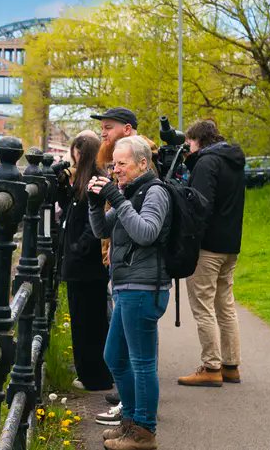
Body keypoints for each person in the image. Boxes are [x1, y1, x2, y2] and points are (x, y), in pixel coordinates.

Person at [88, 135, 171, 450]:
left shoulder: (154, 193)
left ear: (142, 163)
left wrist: (117, 198)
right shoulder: (132, 193)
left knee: (141, 362)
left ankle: (144, 431)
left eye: (121, 164)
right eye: (113, 164)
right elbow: (101, 230)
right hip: (126, 285)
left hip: (144, 287)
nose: (115, 170)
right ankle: (131, 422)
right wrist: (95, 204)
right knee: (115, 357)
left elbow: (147, 233)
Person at [177, 119, 246, 387]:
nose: (188, 150)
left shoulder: (207, 162)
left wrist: (189, 241)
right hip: (230, 244)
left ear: (198, 141)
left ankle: (211, 366)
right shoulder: (233, 160)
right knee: (225, 305)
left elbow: (199, 206)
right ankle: (231, 365)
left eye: (189, 145)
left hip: (207, 246)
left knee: (203, 305)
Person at [55, 130, 114, 392]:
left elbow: (95, 220)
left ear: (83, 153)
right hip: (83, 263)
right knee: (89, 320)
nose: (73, 159)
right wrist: (59, 183)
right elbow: (70, 207)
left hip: (85, 264)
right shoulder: (87, 179)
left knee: (87, 321)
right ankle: (94, 373)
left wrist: (78, 248)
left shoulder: (94, 180)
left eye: (75, 154)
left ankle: (94, 377)